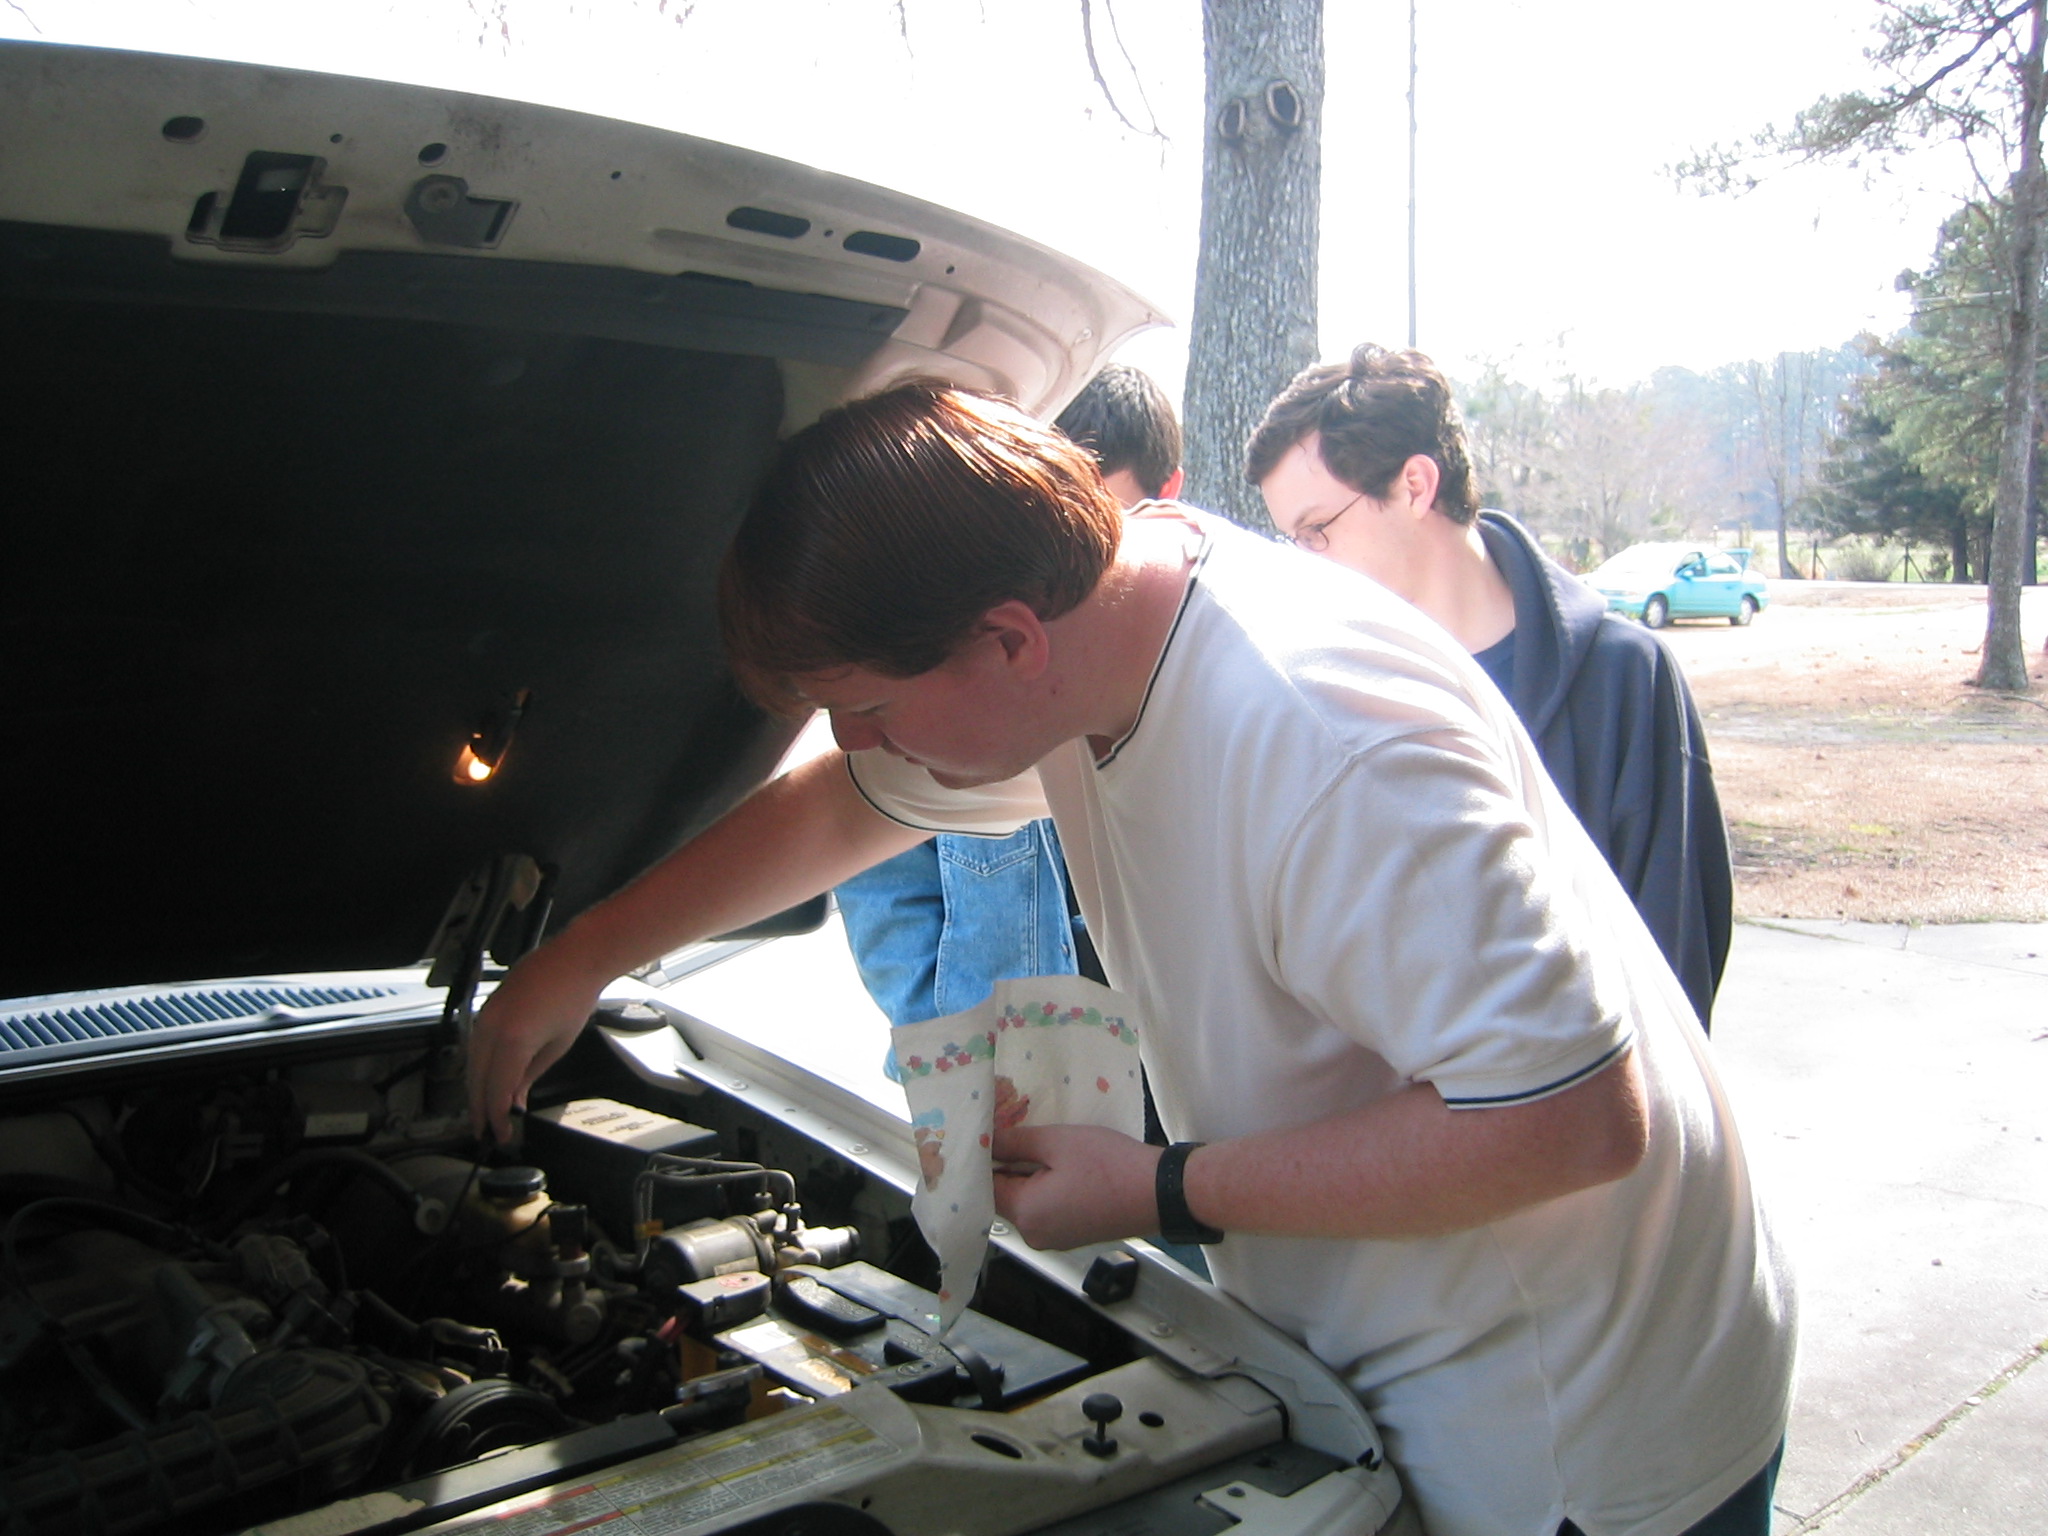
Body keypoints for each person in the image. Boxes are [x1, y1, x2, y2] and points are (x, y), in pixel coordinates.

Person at [472, 382, 1793, 1536]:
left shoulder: (1329, 747)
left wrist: (1158, 1187)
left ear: (1008, 639)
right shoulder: (1098, 618)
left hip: (1578, 1422)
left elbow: (1571, 1123)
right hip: (1402, 1331)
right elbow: (848, 803)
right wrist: (578, 959)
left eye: (865, 703)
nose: (856, 738)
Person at [1246, 344, 1734, 1030]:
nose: (1303, 563)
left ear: (1415, 485)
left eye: (1316, 530)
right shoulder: (1326, 695)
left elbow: (1673, 973)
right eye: (1290, 540)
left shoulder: (1626, 681)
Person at [832, 364, 1184, 1033]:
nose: (1063, 579)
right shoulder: (971, 693)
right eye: (1042, 531)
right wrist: (954, 1039)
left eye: (1099, 531)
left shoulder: (1214, 720)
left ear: (1166, 497)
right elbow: (854, 835)